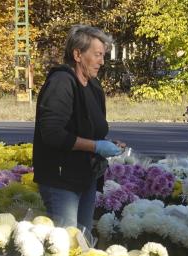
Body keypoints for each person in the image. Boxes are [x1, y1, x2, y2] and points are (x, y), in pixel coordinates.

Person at [32, 25, 126, 231]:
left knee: (82, 241)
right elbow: (52, 134)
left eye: (103, 55)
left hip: (86, 177)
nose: (102, 61)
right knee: (66, 242)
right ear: (77, 54)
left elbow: (93, 130)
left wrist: (108, 144)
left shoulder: (93, 86)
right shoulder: (61, 83)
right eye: (98, 55)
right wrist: (95, 146)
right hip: (61, 179)